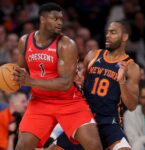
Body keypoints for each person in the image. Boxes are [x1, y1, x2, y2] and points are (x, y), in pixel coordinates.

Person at [12, 3, 102, 150]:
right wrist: (12, 79)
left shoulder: (66, 44)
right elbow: (22, 72)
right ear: (42, 19)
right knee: (22, 146)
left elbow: (65, 83)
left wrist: (30, 81)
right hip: (39, 102)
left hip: (68, 102)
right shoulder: (25, 41)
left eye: (61, 18)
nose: (60, 22)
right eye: (55, 19)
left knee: (94, 145)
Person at [48, 20, 140, 150]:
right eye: (107, 32)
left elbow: (131, 105)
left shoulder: (131, 67)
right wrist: (78, 84)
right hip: (85, 120)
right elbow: (82, 92)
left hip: (109, 123)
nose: (107, 35)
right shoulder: (92, 55)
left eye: (113, 32)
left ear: (124, 37)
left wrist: (121, 81)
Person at [124, 84, 145, 150]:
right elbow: (132, 139)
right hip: (140, 147)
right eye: (143, 97)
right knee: (137, 145)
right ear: (139, 99)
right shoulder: (130, 114)